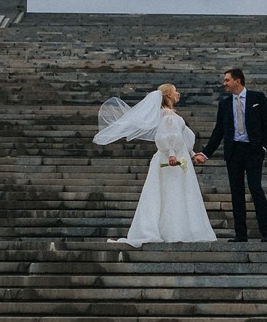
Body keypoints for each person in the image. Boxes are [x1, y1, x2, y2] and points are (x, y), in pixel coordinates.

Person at [92, 85, 216, 245]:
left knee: (173, 193)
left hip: (178, 157)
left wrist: (192, 154)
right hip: (172, 160)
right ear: (169, 95)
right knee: (171, 192)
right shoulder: (167, 115)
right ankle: (173, 230)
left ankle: (176, 228)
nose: (178, 93)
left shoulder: (168, 114)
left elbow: (182, 138)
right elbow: (168, 136)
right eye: (175, 91)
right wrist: (172, 154)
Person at [193, 67, 267, 243]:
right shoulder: (224, 104)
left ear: (238, 80)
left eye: (227, 80)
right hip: (234, 152)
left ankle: (266, 233)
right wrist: (205, 154)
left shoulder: (257, 98)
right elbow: (218, 132)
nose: (224, 84)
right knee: (236, 193)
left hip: (253, 151)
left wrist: (264, 148)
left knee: (256, 189)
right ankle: (240, 235)